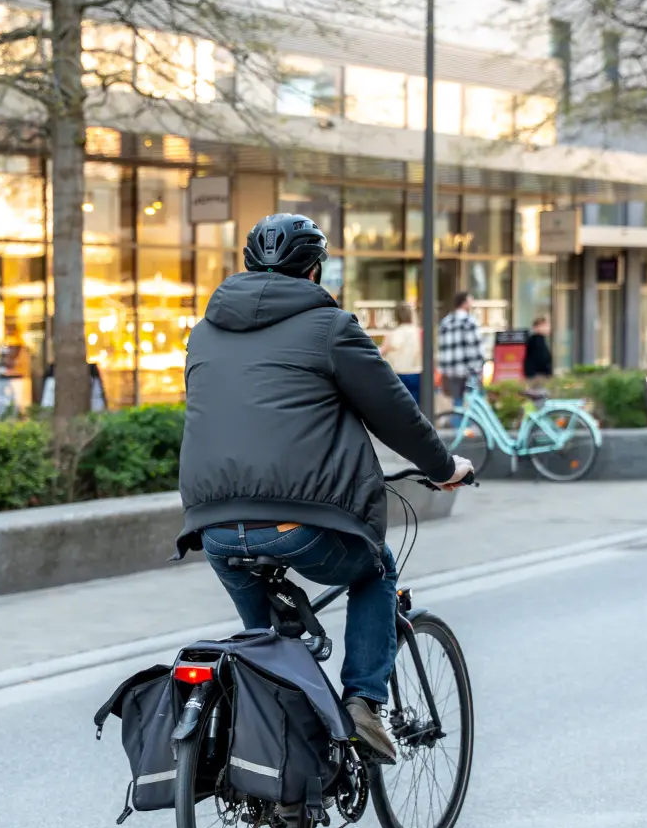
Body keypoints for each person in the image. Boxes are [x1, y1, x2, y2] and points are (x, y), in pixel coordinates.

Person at [176, 214, 474, 762]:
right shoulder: (330, 328)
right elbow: (394, 413)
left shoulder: (203, 333)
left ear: (249, 267)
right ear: (315, 271)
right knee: (376, 568)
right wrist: (442, 466)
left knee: (267, 652)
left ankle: (279, 762)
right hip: (299, 523)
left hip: (211, 525)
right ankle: (364, 703)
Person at [435, 291, 487, 411]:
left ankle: (458, 422)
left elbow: (441, 347)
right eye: (470, 300)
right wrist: (480, 366)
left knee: (456, 403)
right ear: (464, 303)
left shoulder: (445, 322)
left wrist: (442, 369)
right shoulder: (470, 321)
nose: (472, 303)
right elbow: (477, 346)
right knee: (475, 402)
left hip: (451, 371)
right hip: (470, 370)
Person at [380, 303, 423, 404]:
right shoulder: (418, 332)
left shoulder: (392, 334)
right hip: (416, 373)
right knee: (416, 406)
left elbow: (381, 353)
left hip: (397, 375)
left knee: (399, 406)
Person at [524, 314, 555, 390]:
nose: (548, 328)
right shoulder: (536, 340)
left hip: (538, 375)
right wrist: (547, 372)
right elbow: (541, 359)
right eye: (545, 325)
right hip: (538, 376)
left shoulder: (539, 339)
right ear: (537, 327)